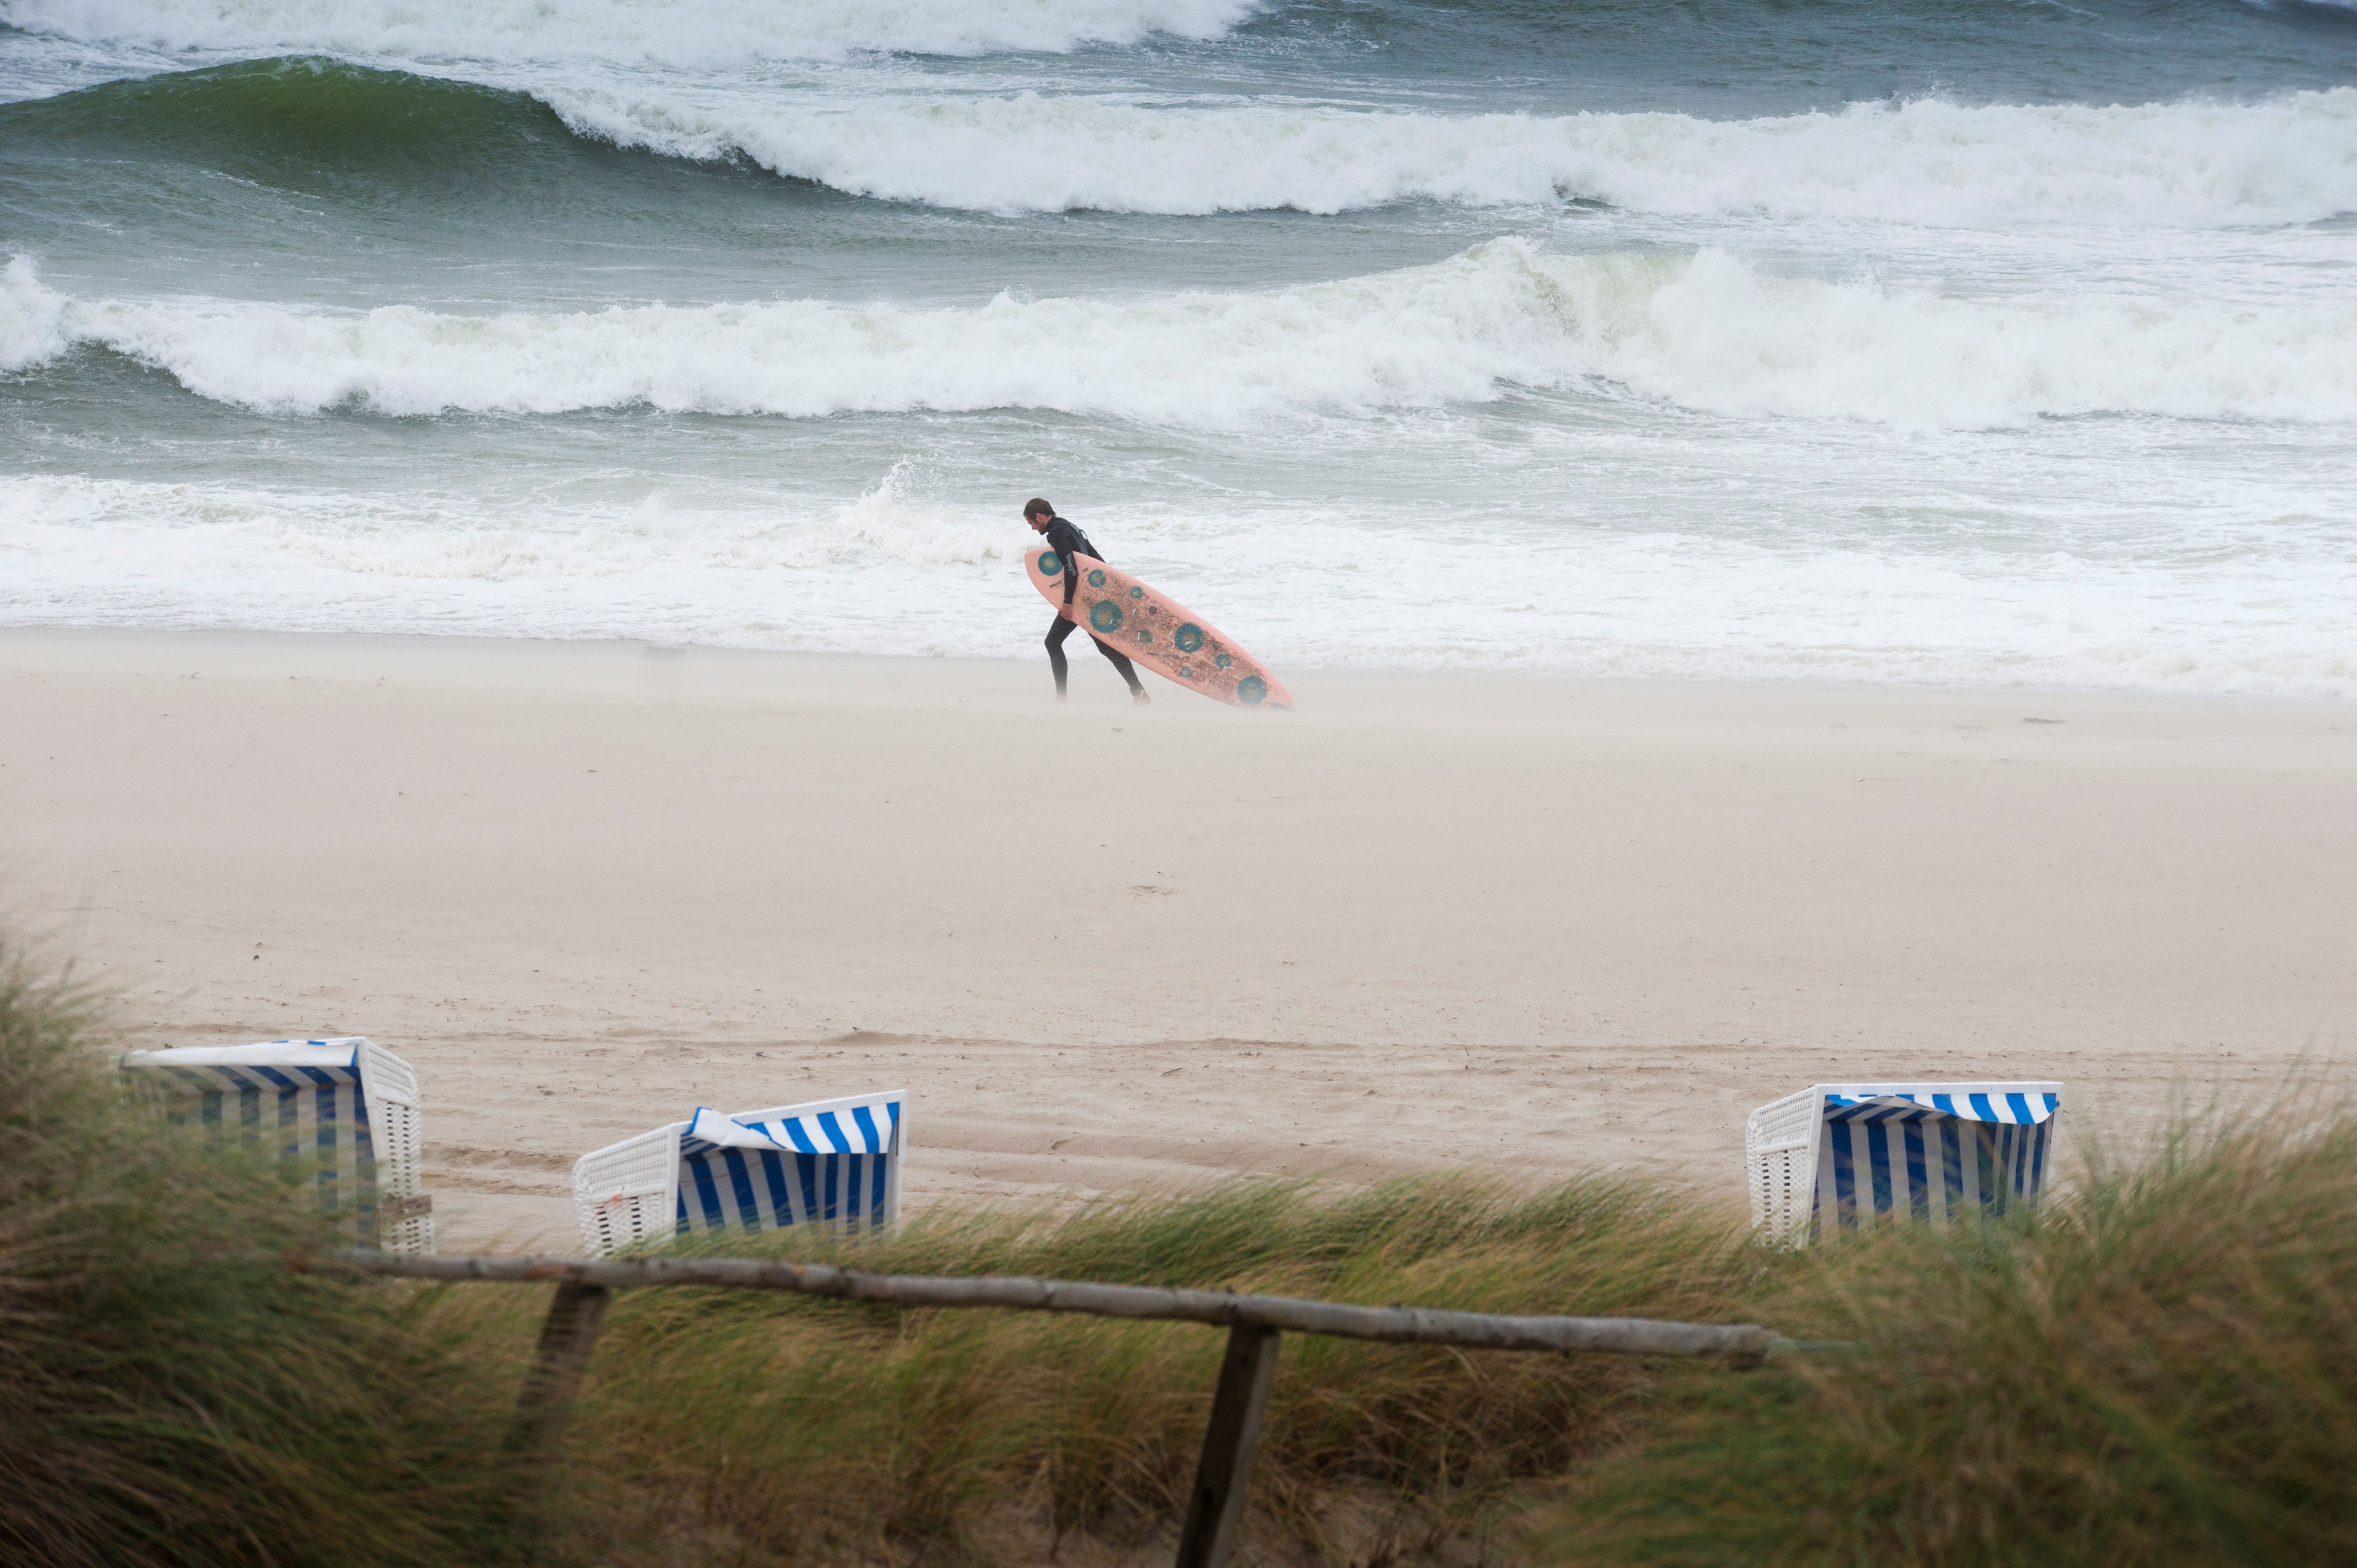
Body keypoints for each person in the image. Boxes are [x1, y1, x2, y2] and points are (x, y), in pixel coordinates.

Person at [1025, 498, 1149, 705]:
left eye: (1032, 523)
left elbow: (1071, 567)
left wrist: (1067, 603)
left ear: (1039, 516)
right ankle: (1139, 693)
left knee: (1053, 642)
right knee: (1106, 647)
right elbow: (1096, 559)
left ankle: (1062, 698)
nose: (1032, 528)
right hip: (1091, 595)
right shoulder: (1069, 526)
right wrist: (1110, 587)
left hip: (1079, 598)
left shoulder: (1056, 532)